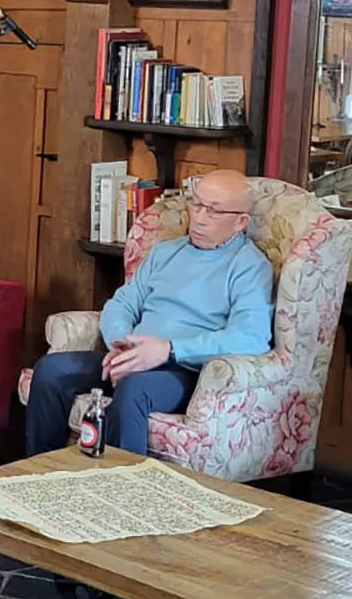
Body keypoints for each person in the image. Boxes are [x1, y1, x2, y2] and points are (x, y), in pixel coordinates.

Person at [26, 169, 274, 456]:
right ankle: (40, 472)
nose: (199, 217)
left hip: (186, 371)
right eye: (196, 204)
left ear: (241, 222)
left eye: (214, 211)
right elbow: (122, 303)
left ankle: (121, 483)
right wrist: (121, 344)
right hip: (134, 356)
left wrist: (169, 350)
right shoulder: (165, 252)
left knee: (134, 388)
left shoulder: (250, 267)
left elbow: (250, 338)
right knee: (51, 369)